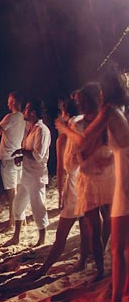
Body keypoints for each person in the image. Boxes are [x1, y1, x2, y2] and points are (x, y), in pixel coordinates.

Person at [59, 68, 129, 302]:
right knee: (124, 246)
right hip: (123, 170)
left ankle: (116, 297)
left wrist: (65, 127)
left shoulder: (109, 110)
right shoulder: (120, 108)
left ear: (104, 92)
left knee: (117, 248)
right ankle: (119, 291)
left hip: (124, 178)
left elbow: (84, 139)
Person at [61, 83, 113, 278]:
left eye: (83, 102)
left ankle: (105, 262)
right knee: (94, 226)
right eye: (79, 102)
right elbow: (74, 156)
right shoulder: (81, 123)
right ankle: (100, 268)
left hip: (104, 176)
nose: (81, 105)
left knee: (107, 220)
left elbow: (115, 146)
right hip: (90, 178)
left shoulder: (101, 120)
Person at [36, 96, 89, 277]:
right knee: (85, 228)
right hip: (85, 185)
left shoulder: (64, 138)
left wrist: (60, 194)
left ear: (66, 114)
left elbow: (60, 169)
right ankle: (83, 262)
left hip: (75, 188)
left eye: (62, 112)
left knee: (62, 233)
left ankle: (44, 269)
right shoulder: (84, 130)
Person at [5, 98, 52, 247]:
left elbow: (38, 155)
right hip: (26, 175)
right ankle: (16, 236)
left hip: (37, 176)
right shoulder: (30, 128)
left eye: (26, 109)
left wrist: (22, 152)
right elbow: (28, 152)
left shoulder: (42, 131)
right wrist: (21, 156)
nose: (24, 111)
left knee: (38, 208)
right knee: (17, 205)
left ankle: (42, 239)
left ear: (32, 112)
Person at [0, 92, 27, 228]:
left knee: (12, 194)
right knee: (18, 190)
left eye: (9, 101)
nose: (7, 104)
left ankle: (13, 221)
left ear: (14, 102)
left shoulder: (10, 117)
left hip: (8, 158)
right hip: (19, 157)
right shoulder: (23, 117)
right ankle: (21, 219)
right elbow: (3, 130)